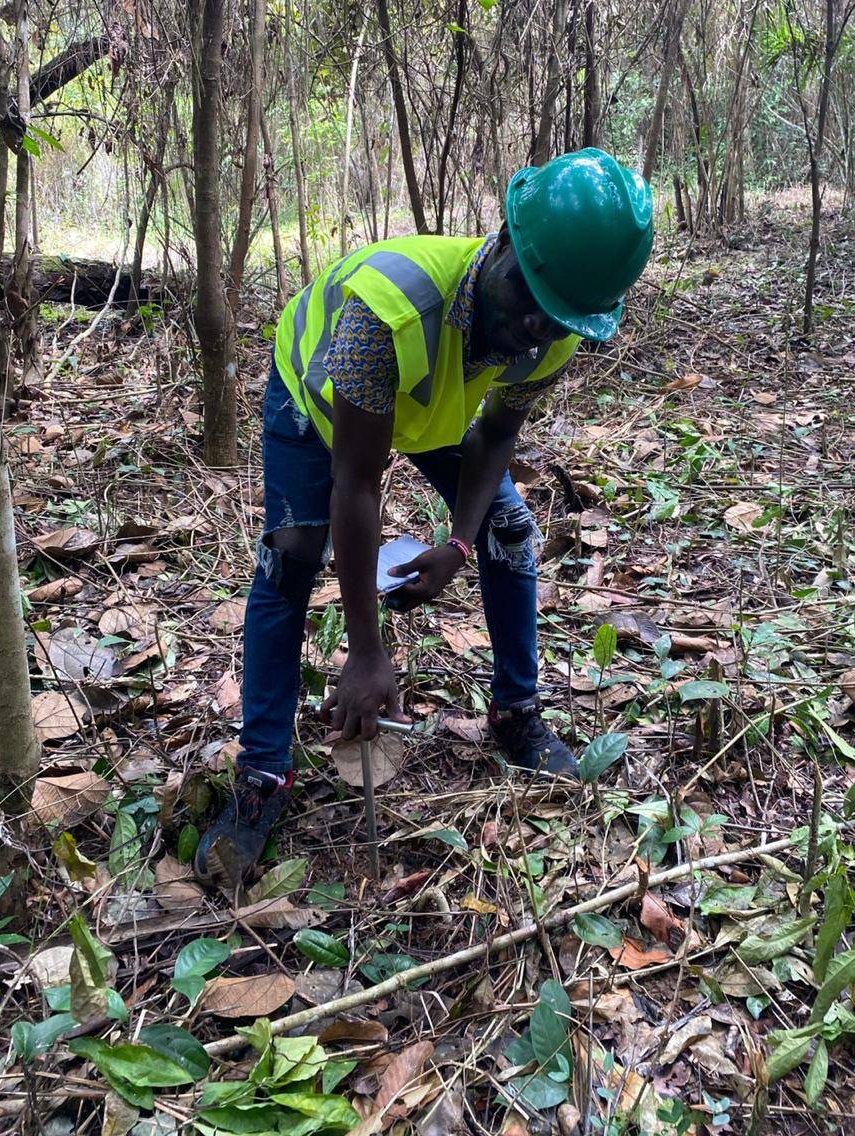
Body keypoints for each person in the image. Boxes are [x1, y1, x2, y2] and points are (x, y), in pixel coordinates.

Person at [195, 148, 653, 886]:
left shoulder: (556, 326)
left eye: (553, 318)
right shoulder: (389, 312)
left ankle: (516, 713)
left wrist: (460, 545)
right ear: (501, 240)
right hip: (318, 396)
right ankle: (263, 774)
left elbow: (495, 436)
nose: (530, 327)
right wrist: (365, 652)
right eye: (524, 294)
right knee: (291, 557)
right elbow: (357, 483)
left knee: (510, 533)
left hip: (427, 401)